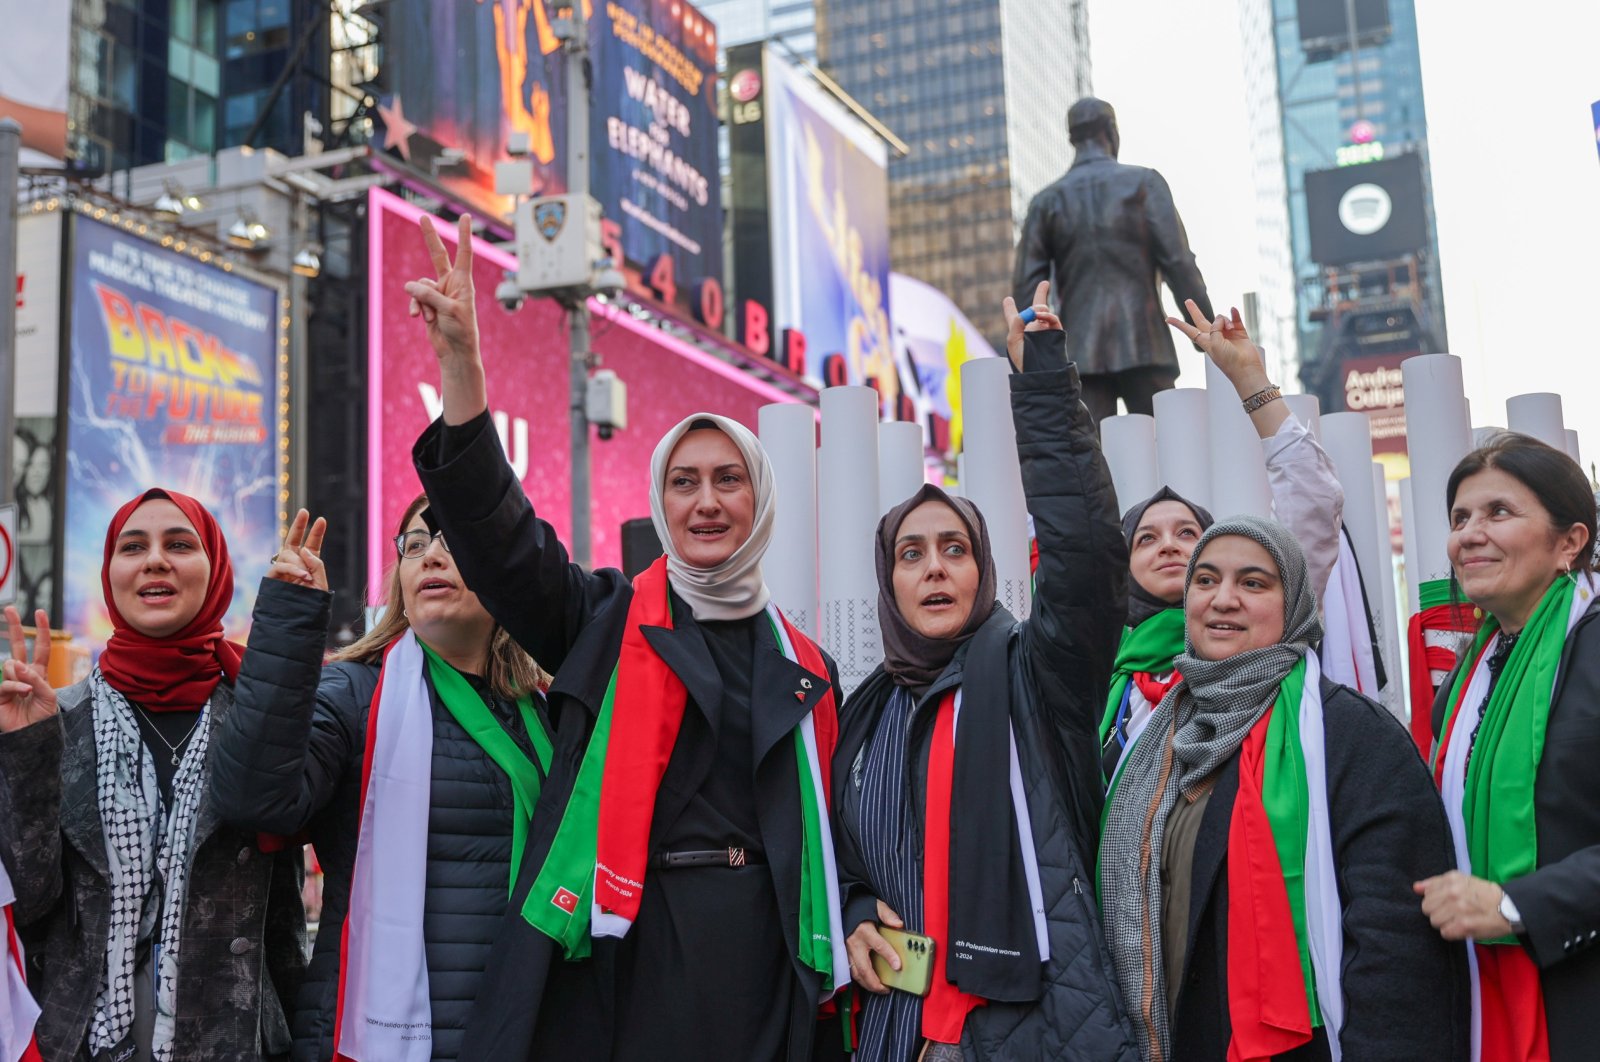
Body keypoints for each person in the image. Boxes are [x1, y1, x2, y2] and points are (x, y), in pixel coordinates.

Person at [402, 214, 847, 1061]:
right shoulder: (605, 621)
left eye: (729, 481)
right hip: (629, 961)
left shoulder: (811, 669)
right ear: (661, 501)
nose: (706, 502)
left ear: (762, 504)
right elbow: (505, 545)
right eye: (684, 482)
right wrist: (462, 372)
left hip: (771, 971)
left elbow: (846, 845)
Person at [831, 285, 1136, 1061]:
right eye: (912, 554)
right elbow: (846, 859)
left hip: (1030, 1033)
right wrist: (857, 905)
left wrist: (1042, 388)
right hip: (898, 1034)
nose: (934, 568)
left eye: (955, 549)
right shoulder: (863, 713)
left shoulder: (1038, 673)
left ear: (984, 570)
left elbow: (1089, 553)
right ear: (889, 582)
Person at [1100, 515, 1468, 1062]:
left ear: (1294, 602)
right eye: (1205, 580)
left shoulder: (1350, 734)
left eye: (1252, 583)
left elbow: (1396, 948)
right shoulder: (1158, 736)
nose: (1223, 599)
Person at [207, 499, 553, 1062]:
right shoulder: (352, 694)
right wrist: (290, 621)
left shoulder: (547, 713)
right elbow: (254, 800)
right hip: (383, 1039)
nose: (431, 556)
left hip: (524, 1026)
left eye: (453, 541)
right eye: (415, 546)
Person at [0, 488, 305, 1062]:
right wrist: (26, 752)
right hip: (81, 1042)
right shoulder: (55, 718)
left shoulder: (258, 717)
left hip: (232, 1040)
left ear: (215, 571)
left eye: (180, 544)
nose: (155, 560)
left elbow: (285, 925)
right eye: (132, 546)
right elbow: (28, 906)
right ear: (111, 573)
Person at [1100, 300, 1343, 782]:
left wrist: (1251, 381)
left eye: (1188, 533)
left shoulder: (1254, 637)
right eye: (1145, 538)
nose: (1168, 545)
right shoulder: (1103, 674)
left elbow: (1313, 499)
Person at [1418, 433, 1599, 1061]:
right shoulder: (1466, 681)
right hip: (1482, 995)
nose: (1469, 533)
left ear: (1569, 543)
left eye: (1499, 512)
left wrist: (1516, 904)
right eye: (1460, 518)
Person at [1012, 97, 1213, 422]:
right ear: (1111, 131)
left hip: (1081, 354)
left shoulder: (1046, 202)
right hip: (1146, 346)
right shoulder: (1145, 183)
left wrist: (1037, 361)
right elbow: (1179, 263)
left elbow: (1027, 289)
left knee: (1091, 459)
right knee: (1168, 454)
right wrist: (1205, 331)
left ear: (1072, 139)